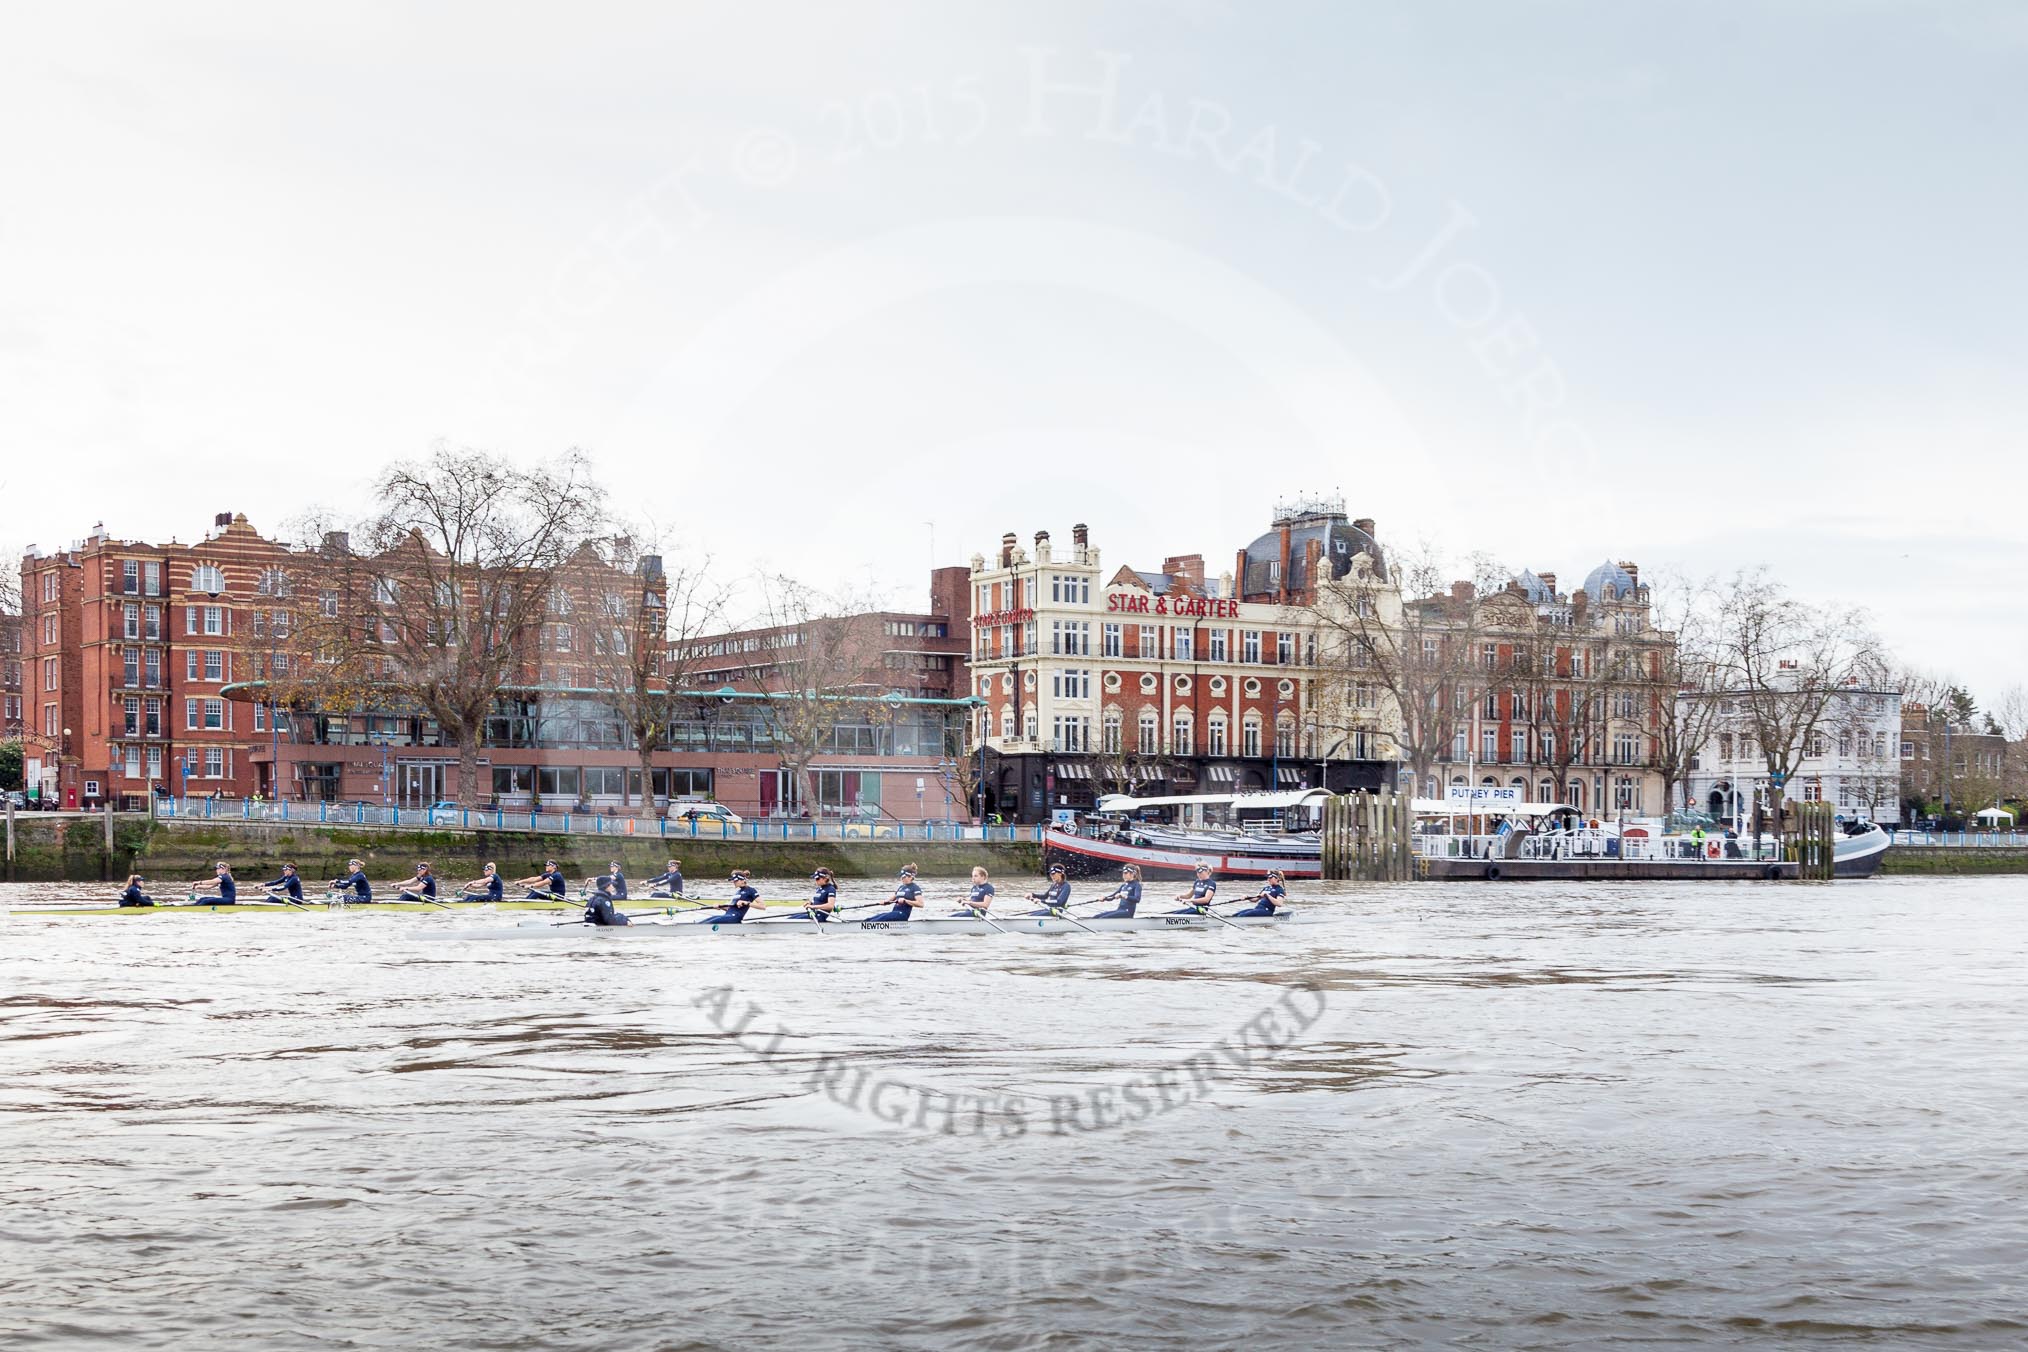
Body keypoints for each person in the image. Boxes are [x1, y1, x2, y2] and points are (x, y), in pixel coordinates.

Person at [859, 865, 924, 922]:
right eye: (901, 876)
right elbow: (890, 900)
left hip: (902, 915)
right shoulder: (901, 887)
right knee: (868, 920)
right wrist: (884, 902)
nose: (901, 878)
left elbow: (921, 904)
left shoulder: (915, 888)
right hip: (894, 913)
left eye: (903, 877)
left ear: (910, 877)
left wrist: (905, 901)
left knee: (874, 921)